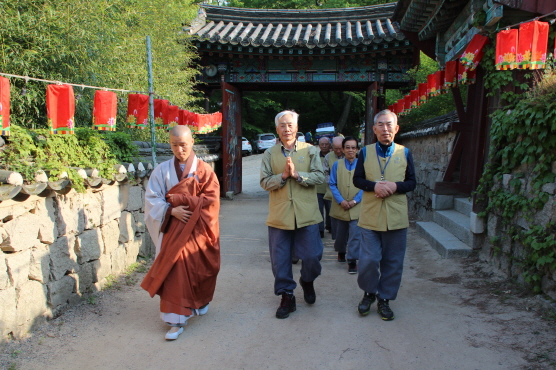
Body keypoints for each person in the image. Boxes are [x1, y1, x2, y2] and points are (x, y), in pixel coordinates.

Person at [141, 125, 220, 340]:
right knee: (175, 273)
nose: (179, 150)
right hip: (173, 234)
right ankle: (175, 320)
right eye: (175, 145)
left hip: (197, 232)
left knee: (201, 269)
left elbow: (211, 202)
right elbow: (152, 199)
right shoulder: (162, 170)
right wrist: (170, 209)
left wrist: (182, 199)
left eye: (183, 145)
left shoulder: (204, 170)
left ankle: (199, 301)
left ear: (192, 142)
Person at [260, 110, 325, 319]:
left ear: (296, 128)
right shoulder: (270, 154)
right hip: (280, 214)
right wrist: (283, 176)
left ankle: (307, 280)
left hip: (307, 213)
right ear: (276, 129)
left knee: (312, 255)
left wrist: (298, 175)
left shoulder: (311, 150)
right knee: (280, 259)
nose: (286, 129)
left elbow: (319, 177)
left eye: (290, 125)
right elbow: (264, 182)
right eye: (282, 126)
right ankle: (287, 295)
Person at [353, 109, 416, 321]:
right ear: (374, 129)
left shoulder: (405, 153)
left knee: (393, 261)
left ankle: (385, 298)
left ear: (396, 128)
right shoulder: (365, 152)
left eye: (389, 124)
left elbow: (412, 183)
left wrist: (394, 186)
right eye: (380, 124)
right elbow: (358, 180)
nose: (385, 129)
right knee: (369, 260)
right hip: (370, 216)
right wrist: (374, 187)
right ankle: (369, 292)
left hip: (396, 217)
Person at [329, 136, 363, 274]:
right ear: (342, 149)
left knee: (355, 234)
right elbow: (332, 183)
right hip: (340, 205)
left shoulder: (363, 165)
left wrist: (355, 200)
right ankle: (341, 251)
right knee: (340, 234)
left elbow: (365, 186)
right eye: (347, 147)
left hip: (357, 206)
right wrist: (341, 200)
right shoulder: (337, 165)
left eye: (353, 147)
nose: (350, 150)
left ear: (357, 149)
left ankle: (352, 260)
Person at [323, 136, 345, 245]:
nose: (338, 151)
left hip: (348, 193)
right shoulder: (328, 157)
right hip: (332, 193)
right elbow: (324, 173)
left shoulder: (350, 155)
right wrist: (333, 181)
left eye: (340, 148)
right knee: (334, 218)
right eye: (335, 148)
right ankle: (338, 241)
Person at [316, 137, 332, 238]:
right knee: (319, 211)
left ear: (330, 145)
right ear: (319, 146)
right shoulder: (315, 157)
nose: (324, 146)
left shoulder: (333, 156)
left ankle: (330, 227)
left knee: (330, 209)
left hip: (330, 189)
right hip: (318, 188)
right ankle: (320, 230)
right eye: (322, 144)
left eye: (326, 144)